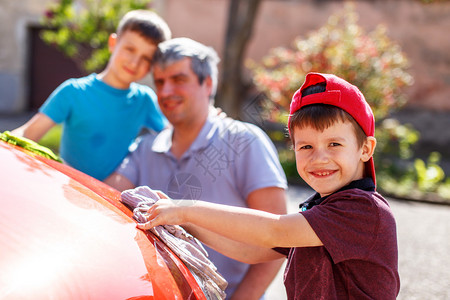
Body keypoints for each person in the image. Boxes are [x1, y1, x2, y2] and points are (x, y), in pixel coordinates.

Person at [135, 72, 400, 299]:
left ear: (366, 148)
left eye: (334, 144)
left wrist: (186, 209)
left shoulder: (362, 211)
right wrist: (182, 222)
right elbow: (250, 250)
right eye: (306, 146)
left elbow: (273, 230)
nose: (319, 158)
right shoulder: (322, 213)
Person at [105, 37, 288, 299]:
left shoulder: (244, 141)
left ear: (208, 83)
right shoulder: (145, 148)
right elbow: (105, 193)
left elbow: (278, 242)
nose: (166, 91)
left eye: (178, 79)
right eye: (159, 82)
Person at [12, 10, 171, 180]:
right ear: (113, 43)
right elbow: (28, 133)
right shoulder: (73, 92)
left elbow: (173, 139)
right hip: (69, 189)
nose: (135, 62)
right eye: (130, 49)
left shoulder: (145, 100)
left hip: (112, 201)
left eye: (146, 58)